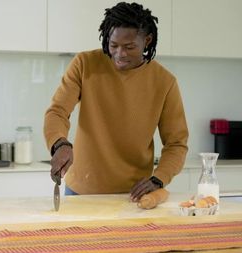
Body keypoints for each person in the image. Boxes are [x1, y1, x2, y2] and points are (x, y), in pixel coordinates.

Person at [44, 2, 188, 202]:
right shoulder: (85, 64)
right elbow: (58, 111)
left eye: (129, 47)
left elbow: (176, 143)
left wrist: (158, 179)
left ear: (147, 40)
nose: (120, 54)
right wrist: (60, 144)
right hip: (81, 191)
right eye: (113, 45)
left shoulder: (165, 82)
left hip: (134, 196)